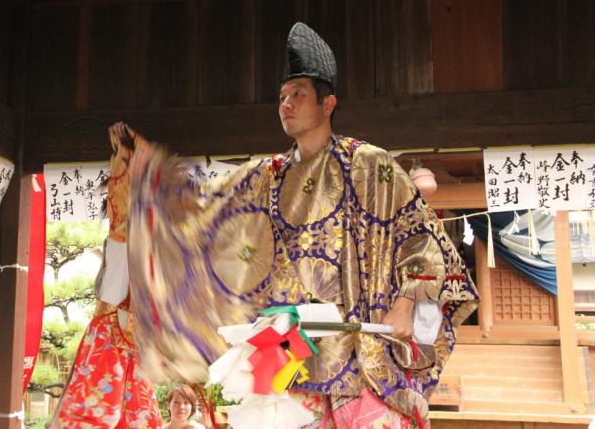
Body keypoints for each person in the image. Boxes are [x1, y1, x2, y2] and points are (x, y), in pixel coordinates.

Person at [122, 22, 479, 429]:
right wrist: (155, 178)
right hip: (289, 353)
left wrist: (406, 302)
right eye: (282, 97)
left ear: (328, 104)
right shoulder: (267, 175)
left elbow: (420, 237)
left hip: (359, 350)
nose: (286, 104)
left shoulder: (369, 164)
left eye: (298, 95)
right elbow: (209, 206)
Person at [48, 123, 163, 429]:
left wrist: (124, 154)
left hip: (122, 335)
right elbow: (122, 219)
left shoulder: (137, 246)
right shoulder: (127, 244)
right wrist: (124, 154)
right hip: (119, 332)